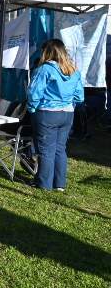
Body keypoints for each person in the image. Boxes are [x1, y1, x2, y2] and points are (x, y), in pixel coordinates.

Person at [27, 38, 84, 191]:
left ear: (46, 52)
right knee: (60, 148)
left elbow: (33, 93)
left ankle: (44, 183)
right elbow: (80, 96)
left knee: (46, 150)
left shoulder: (44, 69)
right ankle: (59, 184)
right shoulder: (73, 70)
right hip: (67, 114)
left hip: (47, 113)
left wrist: (32, 109)